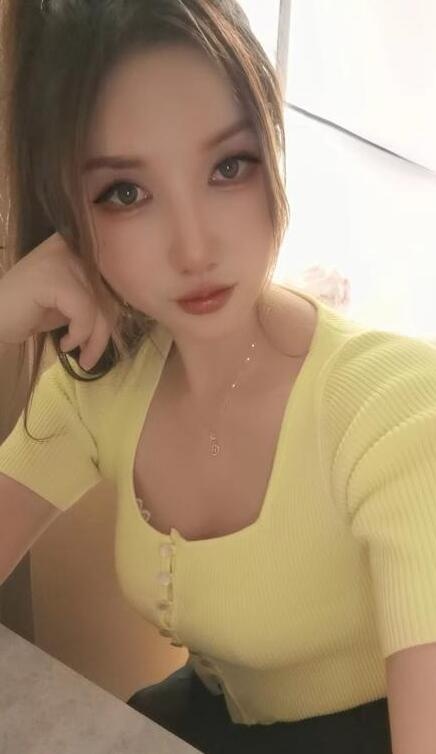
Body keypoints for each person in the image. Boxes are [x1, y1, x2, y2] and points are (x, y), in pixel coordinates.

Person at [0, 2, 435, 753]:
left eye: (228, 167)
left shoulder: (395, 411)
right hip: (205, 718)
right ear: (70, 217)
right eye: (125, 192)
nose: (194, 248)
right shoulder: (101, 379)